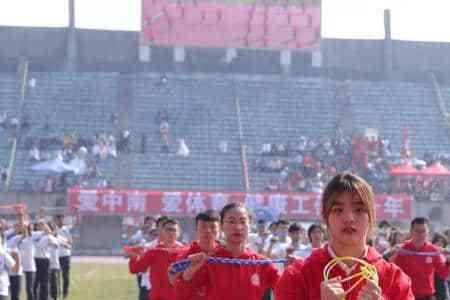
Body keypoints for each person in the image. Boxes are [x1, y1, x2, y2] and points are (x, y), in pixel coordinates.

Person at [275, 173, 414, 300]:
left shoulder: (395, 279)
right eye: (338, 210)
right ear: (325, 216)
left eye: (359, 209)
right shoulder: (297, 276)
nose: (349, 218)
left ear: (371, 216)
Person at [174, 202, 280, 300]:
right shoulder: (208, 262)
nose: (238, 227)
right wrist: (187, 275)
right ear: (222, 226)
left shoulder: (262, 264)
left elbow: (286, 288)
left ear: (250, 226)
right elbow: (183, 295)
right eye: (231, 221)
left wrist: (294, 268)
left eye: (243, 221)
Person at [393, 217, 450, 300]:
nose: (420, 235)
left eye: (423, 231)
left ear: (428, 232)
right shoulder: (402, 250)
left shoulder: (433, 251)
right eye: (417, 231)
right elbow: (395, 273)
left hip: (427, 296)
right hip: (407, 295)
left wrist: (448, 262)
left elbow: (443, 274)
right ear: (411, 232)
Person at [129, 218, 186, 300]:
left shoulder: (185, 252)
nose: (171, 233)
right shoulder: (153, 252)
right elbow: (135, 269)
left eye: (174, 230)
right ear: (162, 232)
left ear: (178, 233)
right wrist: (134, 256)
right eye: (168, 230)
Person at [54, 214, 72, 299]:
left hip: (65, 255)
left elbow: (70, 242)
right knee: (56, 276)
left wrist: (66, 242)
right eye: (59, 219)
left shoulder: (66, 230)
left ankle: (65, 293)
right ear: (56, 220)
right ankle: (57, 292)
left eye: (61, 219)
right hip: (56, 256)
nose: (60, 221)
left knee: (66, 275)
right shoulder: (54, 230)